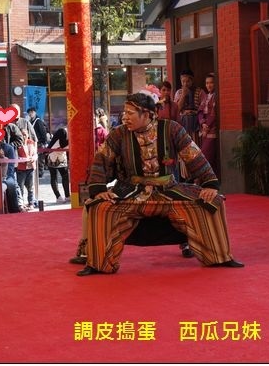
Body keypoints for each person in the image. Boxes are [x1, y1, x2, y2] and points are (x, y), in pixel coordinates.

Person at [76, 92, 243, 276]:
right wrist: (98, 189)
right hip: (132, 191)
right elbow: (102, 159)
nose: (125, 117)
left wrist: (209, 184)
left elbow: (193, 155)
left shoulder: (172, 128)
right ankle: (98, 263)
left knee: (214, 202)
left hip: (168, 190)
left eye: (130, 113)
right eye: (125, 113)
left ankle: (219, 256)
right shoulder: (119, 134)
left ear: (147, 114)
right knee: (99, 207)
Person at [198, 73, 218, 174]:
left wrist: (207, 126)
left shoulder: (216, 96)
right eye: (207, 83)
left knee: (206, 155)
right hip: (204, 128)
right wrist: (202, 123)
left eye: (211, 83)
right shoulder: (205, 97)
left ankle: (204, 177)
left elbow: (214, 114)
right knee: (205, 154)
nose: (208, 85)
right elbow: (200, 111)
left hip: (212, 128)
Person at [46, 126, 70, 204]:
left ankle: (67, 196)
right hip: (52, 154)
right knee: (54, 176)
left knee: (65, 175)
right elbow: (61, 144)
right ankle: (58, 196)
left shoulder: (67, 133)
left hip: (61, 154)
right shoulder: (62, 131)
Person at [27, 107, 48, 177]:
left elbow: (43, 132)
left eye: (32, 112)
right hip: (33, 143)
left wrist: (44, 142)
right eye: (29, 112)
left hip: (39, 143)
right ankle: (36, 172)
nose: (30, 114)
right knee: (34, 158)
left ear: (35, 112)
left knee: (40, 159)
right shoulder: (30, 121)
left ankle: (40, 173)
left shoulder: (38, 121)